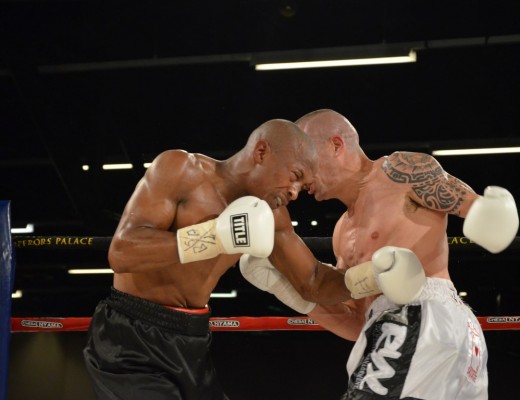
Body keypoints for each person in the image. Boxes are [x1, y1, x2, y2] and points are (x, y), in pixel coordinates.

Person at [239, 109, 519, 399]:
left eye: (306, 158)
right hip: (408, 334)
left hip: (424, 318)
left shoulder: (398, 171)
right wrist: (284, 287)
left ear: (336, 145)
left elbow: (471, 205)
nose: (301, 176)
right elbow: (356, 322)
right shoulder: (342, 232)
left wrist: (489, 213)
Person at [82, 118, 341, 400]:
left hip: (193, 340)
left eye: (302, 186)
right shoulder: (181, 170)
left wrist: (368, 278)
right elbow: (122, 253)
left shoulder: (273, 216)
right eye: (295, 175)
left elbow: (313, 281)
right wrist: (214, 237)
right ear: (261, 152)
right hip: (130, 338)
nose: (294, 191)